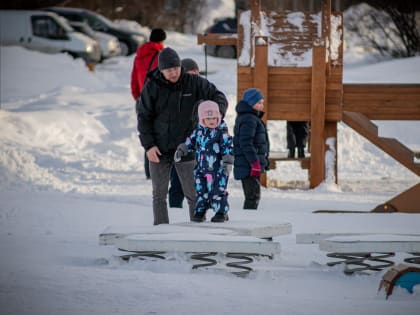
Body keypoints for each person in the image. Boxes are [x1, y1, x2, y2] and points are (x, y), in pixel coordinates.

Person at [136, 47, 228, 225]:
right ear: (161, 70)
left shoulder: (194, 82)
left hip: (187, 148)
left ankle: (197, 231)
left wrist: (216, 115)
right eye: (168, 70)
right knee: (159, 195)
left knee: (193, 194)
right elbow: (143, 117)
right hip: (159, 149)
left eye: (176, 68)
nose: (173, 73)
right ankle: (161, 232)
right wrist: (148, 146)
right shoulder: (152, 86)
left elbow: (219, 96)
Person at [175, 100, 233, 223]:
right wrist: (182, 150)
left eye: (214, 118)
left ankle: (221, 212)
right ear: (202, 119)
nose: (212, 121)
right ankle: (200, 211)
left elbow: (227, 147)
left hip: (218, 170)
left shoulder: (221, 132)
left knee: (217, 191)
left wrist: (227, 162)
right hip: (201, 168)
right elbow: (190, 141)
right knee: (201, 191)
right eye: (208, 118)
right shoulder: (199, 131)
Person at [130, 28, 167, 179]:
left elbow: (133, 80)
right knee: (160, 133)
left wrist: (138, 97)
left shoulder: (139, 55)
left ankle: (149, 171)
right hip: (157, 101)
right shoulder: (161, 56)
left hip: (141, 101)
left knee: (147, 133)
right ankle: (158, 170)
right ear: (162, 40)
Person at [168, 58, 201, 208]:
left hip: (200, 144)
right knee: (178, 182)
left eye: (196, 72)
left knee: (199, 182)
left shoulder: (203, 89)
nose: (194, 75)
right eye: (190, 73)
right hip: (181, 143)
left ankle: (198, 212)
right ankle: (175, 209)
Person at [233, 88, 270, 210]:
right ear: (250, 103)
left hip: (250, 164)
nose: (261, 105)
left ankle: (249, 218)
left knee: (253, 195)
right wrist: (254, 162)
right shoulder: (249, 119)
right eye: (258, 102)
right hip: (248, 164)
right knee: (252, 196)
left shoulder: (251, 118)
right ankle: (248, 220)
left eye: (262, 102)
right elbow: (246, 142)